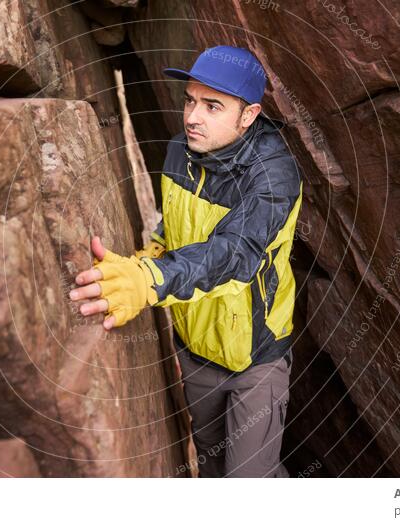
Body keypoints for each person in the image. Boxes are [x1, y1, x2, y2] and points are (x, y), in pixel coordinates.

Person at [68, 45, 303, 477]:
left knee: (249, 480)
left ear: (248, 115)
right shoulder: (180, 151)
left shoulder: (274, 175)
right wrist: (152, 254)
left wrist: (148, 279)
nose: (193, 116)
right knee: (211, 464)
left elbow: (236, 254)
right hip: (195, 350)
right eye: (190, 100)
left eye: (213, 106)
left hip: (255, 356)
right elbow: (172, 228)